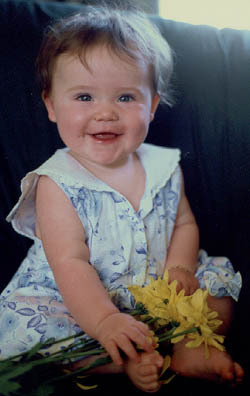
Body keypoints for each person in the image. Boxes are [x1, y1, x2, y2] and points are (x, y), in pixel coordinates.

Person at [0, 5, 244, 393]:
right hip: (82, 298)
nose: (106, 113)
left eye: (126, 98)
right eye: (83, 97)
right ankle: (120, 360)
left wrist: (180, 267)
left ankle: (192, 345)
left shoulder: (164, 165)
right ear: (50, 105)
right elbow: (70, 262)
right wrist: (104, 322)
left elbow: (184, 222)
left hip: (159, 285)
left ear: (152, 105)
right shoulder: (56, 183)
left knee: (219, 284)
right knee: (39, 329)